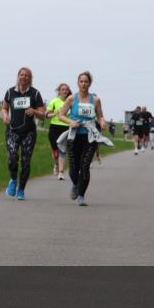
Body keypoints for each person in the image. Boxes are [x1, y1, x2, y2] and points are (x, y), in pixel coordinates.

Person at [59, 71, 110, 206]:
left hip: (89, 137)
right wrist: (71, 122)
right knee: (74, 168)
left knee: (85, 166)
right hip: (74, 136)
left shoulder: (96, 100)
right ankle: (76, 184)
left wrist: (103, 122)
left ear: (90, 84)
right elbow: (61, 115)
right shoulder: (71, 99)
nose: (83, 83)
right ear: (77, 83)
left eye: (86, 81)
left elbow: (100, 116)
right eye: (81, 81)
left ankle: (81, 195)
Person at [1, 68, 45, 200]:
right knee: (13, 157)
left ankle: (21, 190)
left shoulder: (35, 93)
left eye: (27, 75)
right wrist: (5, 116)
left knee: (25, 161)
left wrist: (34, 112)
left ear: (30, 78)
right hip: (12, 131)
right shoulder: (10, 92)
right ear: (18, 76)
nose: (24, 77)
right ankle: (13, 180)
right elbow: (4, 107)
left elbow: (43, 114)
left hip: (29, 132)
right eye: (22, 75)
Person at [44, 83, 73, 180]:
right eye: (63, 89)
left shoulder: (71, 102)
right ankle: (56, 164)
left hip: (65, 128)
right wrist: (54, 114)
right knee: (55, 150)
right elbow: (46, 116)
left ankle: (61, 172)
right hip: (54, 128)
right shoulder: (54, 101)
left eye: (66, 90)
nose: (65, 91)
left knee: (62, 150)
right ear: (59, 91)